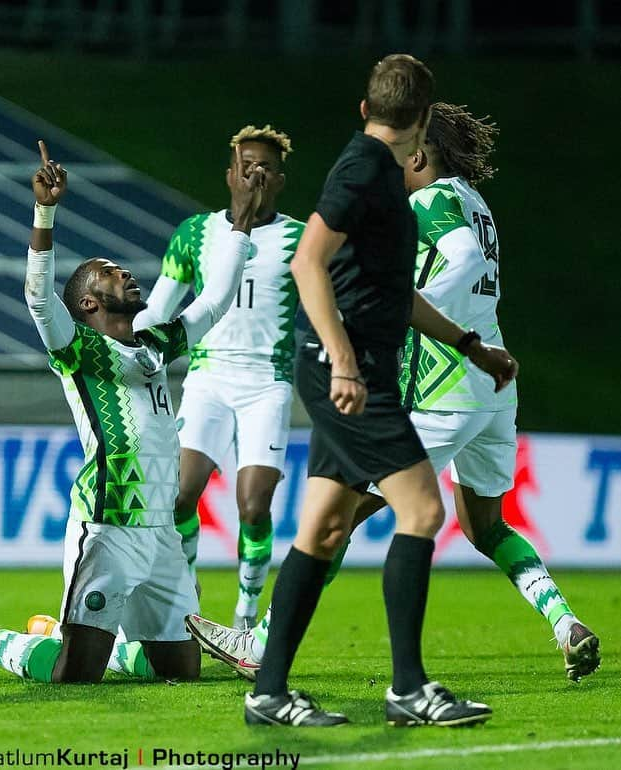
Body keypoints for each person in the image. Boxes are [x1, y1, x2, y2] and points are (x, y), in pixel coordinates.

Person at [188, 102, 600, 683]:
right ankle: (565, 624)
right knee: (487, 526)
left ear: (420, 155)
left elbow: (456, 259)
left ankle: (262, 641)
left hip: (443, 387)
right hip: (493, 390)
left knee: (341, 510)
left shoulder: (430, 201)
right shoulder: (474, 202)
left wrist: (398, 308)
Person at [0, 140, 264, 684]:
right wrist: (45, 212)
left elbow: (216, 299)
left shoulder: (154, 343)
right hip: (108, 525)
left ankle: (71, 633)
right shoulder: (77, 349)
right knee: (75, 678)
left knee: (180, 669)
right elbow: (36, 297)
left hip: (161, 528)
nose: (124, 271)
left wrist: (241, 217)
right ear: (88, 305)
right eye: (109, 272)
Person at [237, 55, 518, 728]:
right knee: (421, 512)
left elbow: (397, 293)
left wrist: (468, 346)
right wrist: (340, 362)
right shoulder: (363, 169)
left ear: (366, 108)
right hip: (352, 373)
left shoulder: (383, 174)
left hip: (356, 368)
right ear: (422, 119)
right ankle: (408, 689)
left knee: (324, 527)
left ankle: (267, 693)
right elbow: (308, 260)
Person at [131, 125, 304, 629]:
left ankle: (246, 617)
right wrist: (131, 347)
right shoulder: (194, 233)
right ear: (230, 174)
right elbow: (159, 308)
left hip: (267, 381)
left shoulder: (300, 237)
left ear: (279, 181)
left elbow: (324, 302)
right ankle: (187, 598)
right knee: (179, 494)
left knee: (252, 507)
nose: (254, 173)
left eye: (265, 167)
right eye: (245, 164)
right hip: (207, 376)